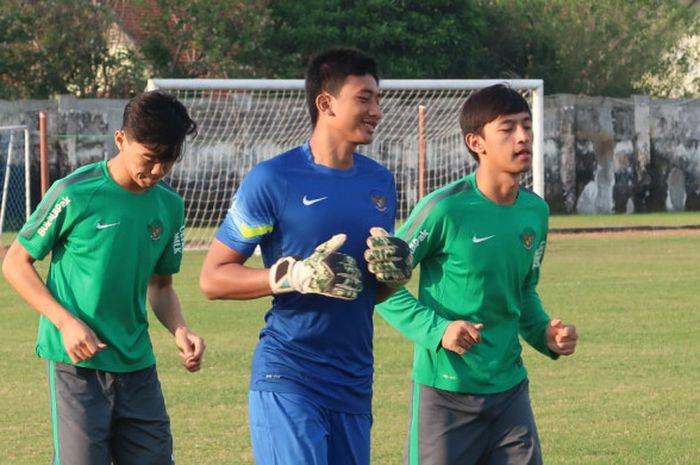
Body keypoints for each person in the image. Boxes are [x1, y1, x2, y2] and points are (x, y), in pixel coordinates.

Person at [199, 47, 412, 465]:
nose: (376, 111)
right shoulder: (273, 179)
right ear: (325, 103)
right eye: (364, 98)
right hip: (289, 374)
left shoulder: (380, 182)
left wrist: (393, 277)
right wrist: (291, 276)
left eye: (377, 99)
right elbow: (213, 278)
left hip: (354, 381)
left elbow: (367, 291)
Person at [376, 84, 578, 465]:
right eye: (507, 128)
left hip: (510, 393)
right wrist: (439, 331)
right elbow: (381, 285)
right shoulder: (444, 209)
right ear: (477, 142)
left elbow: (523, 291)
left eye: (526, 126)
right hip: (446, 395)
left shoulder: (535, 211)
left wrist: (546, 335)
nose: (522, 137)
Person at [2, 91, 205, 465]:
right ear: (120, 140)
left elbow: (160, 286)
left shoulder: (170, 206)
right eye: (150, 158)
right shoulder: (74, 193)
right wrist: (65, 323)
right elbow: (16, 262)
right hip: (78, 366)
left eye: (169, 160)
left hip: (138, 366)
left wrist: (180, 329)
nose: (159, 171)